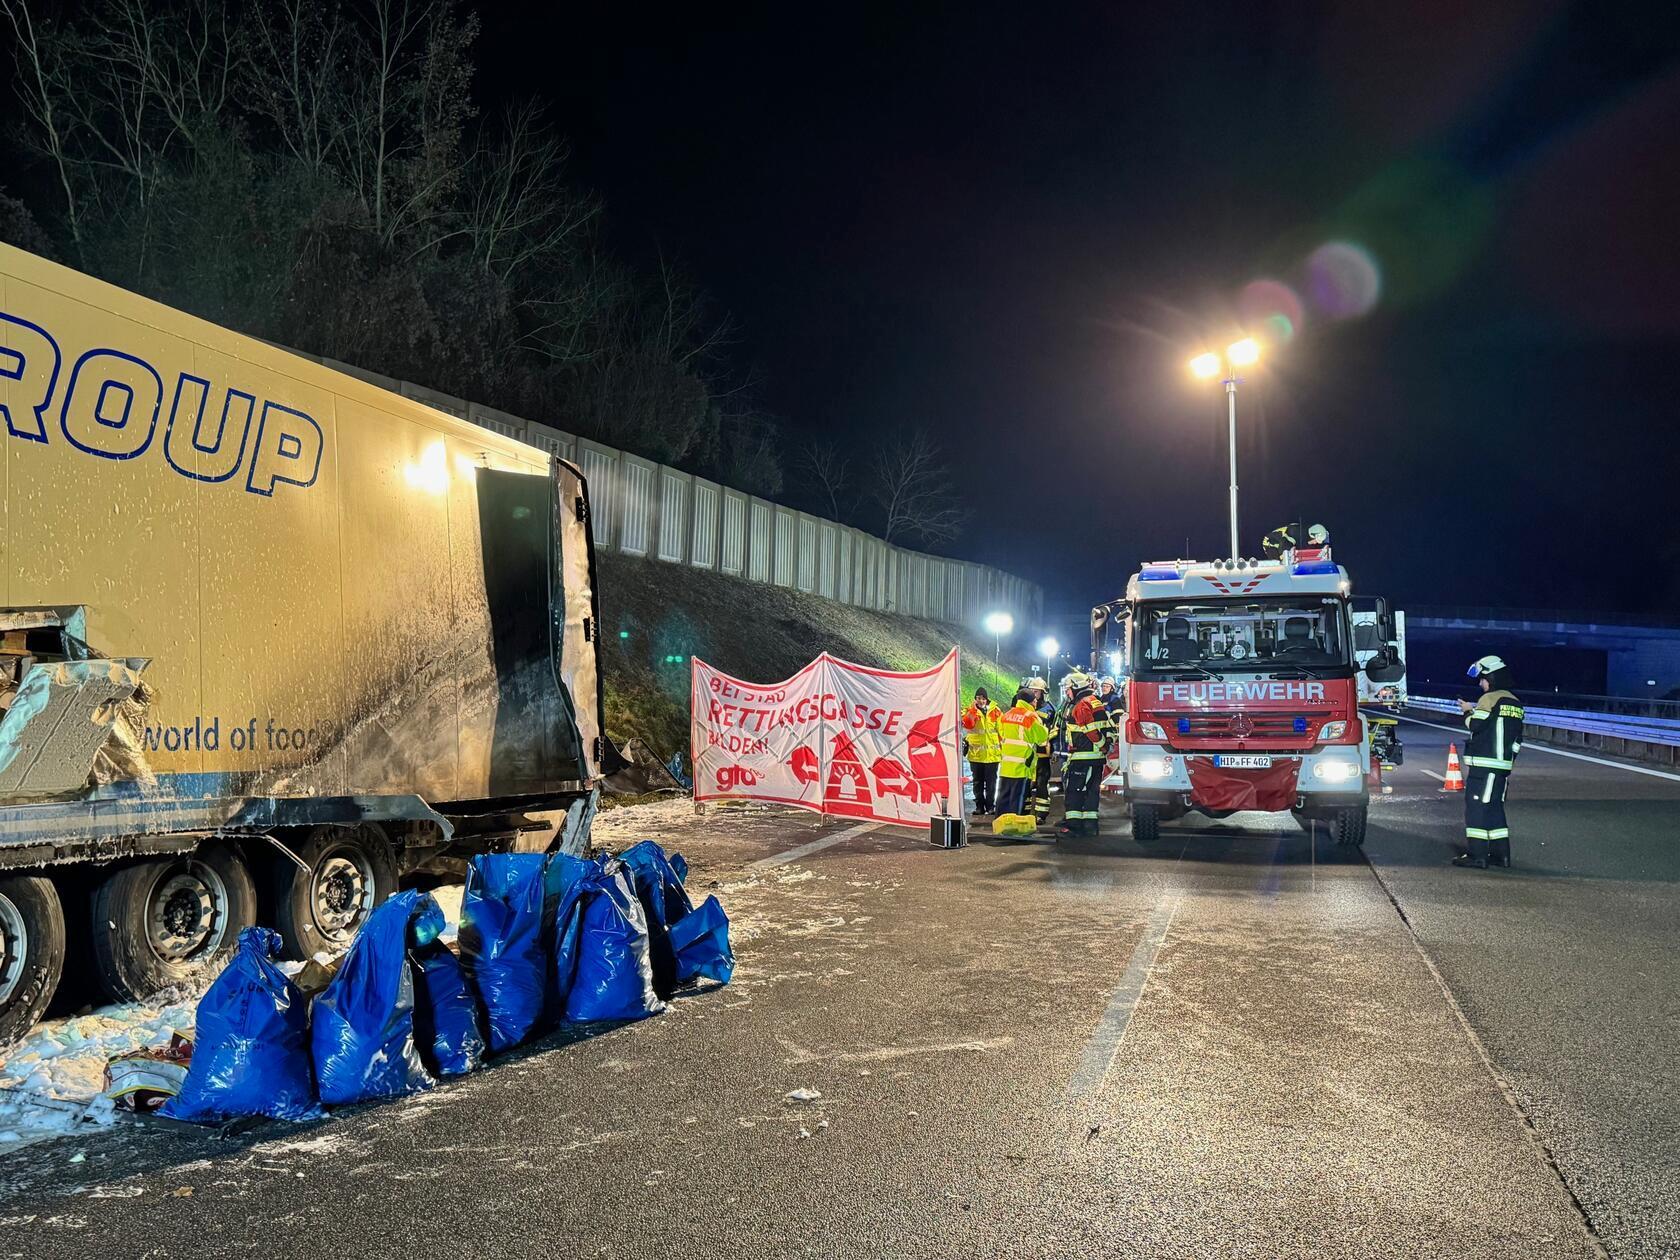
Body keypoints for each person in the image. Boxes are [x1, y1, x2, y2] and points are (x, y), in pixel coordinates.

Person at [1453, 654, 1525, 869]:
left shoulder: (1489, 699)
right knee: (1495, 809)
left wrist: (1467, 711)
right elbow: (1517, 739)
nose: (1480, 683)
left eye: (1482, 679)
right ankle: (1501, 856)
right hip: (1502, 767)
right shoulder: (1515, 703)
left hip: (1484, 766)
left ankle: (1478, 856)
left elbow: (1476, 725)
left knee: (1476, 808)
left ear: (1491, 678)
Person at [1058, 673, 1109, 837]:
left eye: (1068, 689)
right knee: (1091, 792)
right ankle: (1090, 826)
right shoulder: (1095, 700)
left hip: (1083, 756)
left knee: (1075, 791)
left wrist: (1102, 746)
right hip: (1095, 758)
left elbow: (1089, 729)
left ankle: (1073, 827)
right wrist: (1105, 746)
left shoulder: (1081, 704)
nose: (1067, 693)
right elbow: (1107, 727)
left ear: (1076, 687)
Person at [994, 687, 1050, 823]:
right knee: (1016, 799)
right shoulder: (1031, 717)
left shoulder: (1006, 715)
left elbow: (1001, 735)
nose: (1036, 702)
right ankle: (1013, 828)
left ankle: (1000, 824)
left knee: (1003, 797)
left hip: (1006, 765)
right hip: (1022, 765)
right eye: (1035, 700)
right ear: (1031, 702)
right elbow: (1042, 739)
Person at [961, 687, 1001, 815]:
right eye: (978, 698)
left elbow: (1001, 730)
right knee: (977, 783)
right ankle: (979, 806)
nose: (981, 701)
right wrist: (973, 711)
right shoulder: (969, 711)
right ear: (975, 699)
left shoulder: (996, 711)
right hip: (976, 755)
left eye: (983, 698)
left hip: (992, 755)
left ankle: (990, 806)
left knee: (991, 783)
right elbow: (968, 724)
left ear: (986, 699)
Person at [1026, 675, 1058, 827]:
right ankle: (1024, 814)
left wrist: (1051, 747)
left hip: (1042, 752)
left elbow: (1053, 730)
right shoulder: (1026, 707)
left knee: (1041, 784)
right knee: (1026, 784)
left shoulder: (1049, 709)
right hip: (1027, 753)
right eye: (1032, 691)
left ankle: (1041, 814)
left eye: (1037, 691)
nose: (1034, 694)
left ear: (1043, 692)